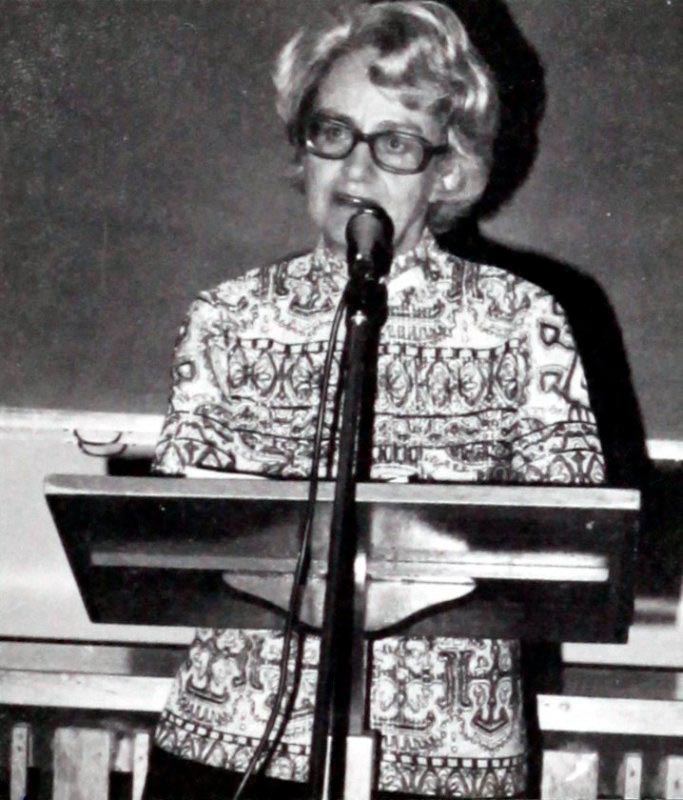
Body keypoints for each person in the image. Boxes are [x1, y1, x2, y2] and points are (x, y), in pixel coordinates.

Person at [142, 2, 605, 798]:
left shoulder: (521, 320)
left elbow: (569, 554)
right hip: (232, 746)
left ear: (447, 170)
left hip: (447, 757)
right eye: (332, 134)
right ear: (304, 150)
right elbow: (180, 545)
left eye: (393, 144)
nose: (354, 173)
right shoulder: (226, 316)